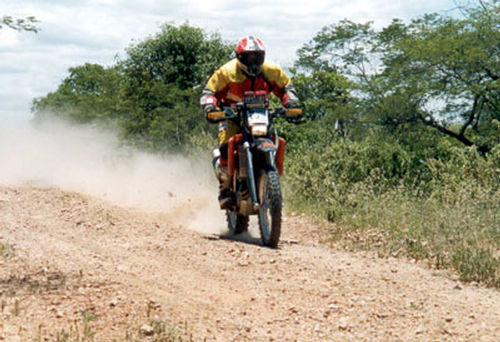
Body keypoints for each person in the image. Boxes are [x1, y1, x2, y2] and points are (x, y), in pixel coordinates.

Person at [200, 36, 302, 209]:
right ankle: (225, 189)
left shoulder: (272, 70)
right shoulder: (226, 72)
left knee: (275, 140)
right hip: (231, 116)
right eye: (249, 57)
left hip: (260, 116)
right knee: (226, 147)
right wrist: (210, 107)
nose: (254, 62)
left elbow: (287, 88)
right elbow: (209, 91)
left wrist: (291, 103)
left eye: (257, 57)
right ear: (240, 58)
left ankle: (271, 180)